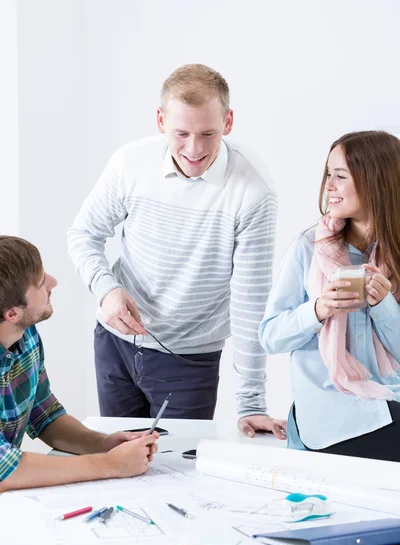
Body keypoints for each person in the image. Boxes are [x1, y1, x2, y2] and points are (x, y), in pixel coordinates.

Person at [68, 63, 286, 439]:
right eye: (181, 133)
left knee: (178, 475)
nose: (194, 149)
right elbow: (84, 234)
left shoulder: (253, 193)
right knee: (116, 464)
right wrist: (106, 290)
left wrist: (252, 403)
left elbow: (251, 302)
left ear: (229, 122)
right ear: (160, 120)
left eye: (208, 134)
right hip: (114, 345)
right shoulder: (129, 163)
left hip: (190, 361)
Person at [259, 130, 400, 460]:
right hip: (331, 410)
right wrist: (319, 309)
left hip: (389, 397)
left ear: (376, 181)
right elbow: (269, 337)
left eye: (341, 176)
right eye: (328, 175)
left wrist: (384, 305)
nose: (329, 186)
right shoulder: (308, 249)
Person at [0, 236, 159, 492]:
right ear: (12, 313)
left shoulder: (24, 334)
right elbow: (4, 470)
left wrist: (104, 444)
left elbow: (44, 414)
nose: (53, 283)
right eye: (41, 283)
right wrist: (112, 465)